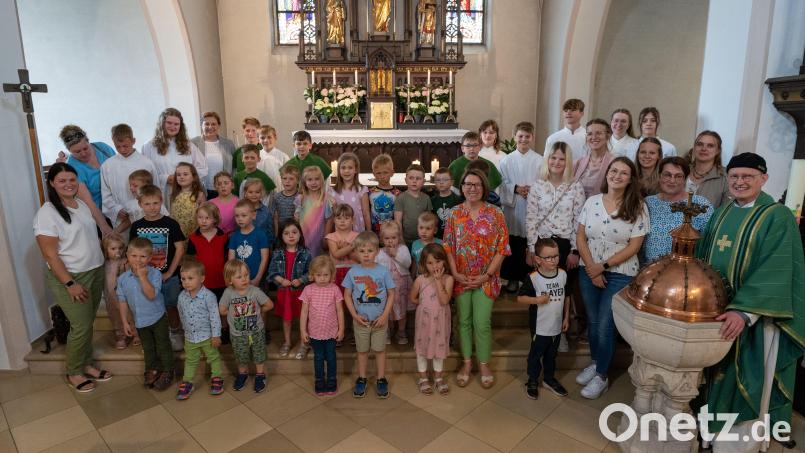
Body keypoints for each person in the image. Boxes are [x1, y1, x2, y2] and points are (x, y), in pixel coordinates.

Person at [695, 153, 804, 452]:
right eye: (734, 177)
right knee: (713, 375)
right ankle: (710, 435)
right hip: (717, 314)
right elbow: (705, 257)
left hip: (755, 319)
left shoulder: (776, 216)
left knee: (747, 378)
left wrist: (743, 312)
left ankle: (737, 446)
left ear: (763, 179)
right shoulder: (723, 211)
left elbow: (778, 269)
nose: (740, 182)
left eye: (748, 177)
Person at [575, 157, 648, 399]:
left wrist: (603, 267)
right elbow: (581, 237)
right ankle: (596, 363)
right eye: (613, 171)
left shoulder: (637, 206)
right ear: (607, 174)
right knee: (594, 322)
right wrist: (591, 268)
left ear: (630, 179)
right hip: (589, 270)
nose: (617, 175)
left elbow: (634, 246)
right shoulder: (592, 201)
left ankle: (602, 376)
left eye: (623, 173)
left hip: (620, 273)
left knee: (606, 326)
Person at [34, 163, 111, 393]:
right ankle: (74, 371)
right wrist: (69, 282)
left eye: (72, 180)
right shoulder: (47, 213)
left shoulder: (81, 205)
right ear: (52, 184)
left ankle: (86, 363)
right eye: (62, 181)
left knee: (88, 323)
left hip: (94, 270)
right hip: (72, 276)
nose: (68, 184)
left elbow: (90, 235)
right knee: (80, 325)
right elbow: (49, 253)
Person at [444, 169, 511, 389]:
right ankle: (466, 364)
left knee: (481, 323)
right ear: (461, 187)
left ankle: (484, 365)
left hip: (487, 278)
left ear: (484, 187)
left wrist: (487, 275)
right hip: (461, 278)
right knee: (463, 321)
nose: (472, 188)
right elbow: (448, 246)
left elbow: (503, 248)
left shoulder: (495, 213)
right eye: (467, 184)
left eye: (477, 184)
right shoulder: (454, 214)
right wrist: (455, 273)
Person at [525, 141, 586, 350]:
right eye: (553, 158)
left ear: (567, 161)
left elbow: (578, 221)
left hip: (564, 244)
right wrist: (532, 248)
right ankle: (538, 333)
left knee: (561, 293)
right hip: (542, 244)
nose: (557, 162)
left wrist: (575, 250)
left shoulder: (575, 187)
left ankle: (560, 333)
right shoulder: (537, 186)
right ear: (547, 160)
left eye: (561, 158)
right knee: (540, 291)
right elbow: (531, 219)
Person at [129, 184, 187, 351]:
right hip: (145, 276)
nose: (152, 207)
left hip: (168, 276)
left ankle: (175, 332)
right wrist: (138, 273)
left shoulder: (171, 224)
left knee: (171, 305)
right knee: (150, 306)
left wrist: (169, 272)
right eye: (147, 204)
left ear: (161, 201)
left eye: (155, 203)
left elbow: (180, 248)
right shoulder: (136, 226)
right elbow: (133, 252)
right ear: (140, 204)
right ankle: (154, 336)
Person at [343, 231, 396, 398]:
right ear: (356, 252)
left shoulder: (383, 271)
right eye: (362, 251)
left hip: (380, 321)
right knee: (362, 351)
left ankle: (381, 378)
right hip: (361, 322)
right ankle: (362, 378)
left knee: (380, 350)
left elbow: (391, 293)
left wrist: (385, 315)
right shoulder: (352, 272)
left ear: (377, 251)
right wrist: (354, 315)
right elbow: (347, 295)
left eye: (370, 251)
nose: (366, 255)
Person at [117, 237, 173, 391]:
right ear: (127, 256)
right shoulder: (122, 279)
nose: (138, 260)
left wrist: (142, 276)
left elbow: (151, 295)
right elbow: (122, 301)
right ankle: (152, 369)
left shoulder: (155, 274)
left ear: (149, 258)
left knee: (163, 345)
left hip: (157, 317)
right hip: (140, 321)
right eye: (134, 256)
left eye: (142, 256)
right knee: (148, 347)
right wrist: (125, 321)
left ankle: (168, 371)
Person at [518, 238, 570, 399]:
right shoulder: (533, 278)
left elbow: (567, 297)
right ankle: (533, 380)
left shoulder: (562, 274)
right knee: (535, 355)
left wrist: (566, 318)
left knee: (551, 355)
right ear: (538, 259)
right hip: (540, 327)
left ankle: (549, 378)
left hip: (556, 325)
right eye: (548, 257)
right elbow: (520, 298)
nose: (553, 260)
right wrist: (536, 300)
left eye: (556, 256)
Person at [499, 121, 543, 293]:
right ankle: (511, 279)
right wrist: (515, 188)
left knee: (530, 242)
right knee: (514, 244)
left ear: (532, 137)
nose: (523, 139)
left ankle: (528, 280)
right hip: (513, 207)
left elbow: (544, 182)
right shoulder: (506, 160)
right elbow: (501, 184)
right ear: (514, 136)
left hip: (533, 207)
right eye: (520, 136)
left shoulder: (540, 160)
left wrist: (533, 190)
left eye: (527, 136)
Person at [642, 157, 712, 263]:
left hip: (686, 272)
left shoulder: (700, 205)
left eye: (678, 176)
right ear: (659, 176)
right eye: (667, 175)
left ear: (685, 178)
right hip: (650, 271)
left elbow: (709, 242)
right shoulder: (648, 203)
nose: (672, 180)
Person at [219, 259, 274, 393]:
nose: (244, 279)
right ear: (230, 280)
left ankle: (260, 375)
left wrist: (258, 311)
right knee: (241, 356)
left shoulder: (255, 291)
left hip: (256, 331)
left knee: (259, 354)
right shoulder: (228, 293)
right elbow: (222, 310)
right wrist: (234, 314)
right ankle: (242, 374)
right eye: (239, 277)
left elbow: (269, 304)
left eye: (246, 275)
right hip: (238, 334)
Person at [176, 258, 223, 400]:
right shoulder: (181, 297)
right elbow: (181, 313)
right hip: (190, 337)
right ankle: (188, 381)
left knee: (213, 357)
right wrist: (185, 330)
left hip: (207, 336)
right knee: (191, 360)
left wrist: (216, 335)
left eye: (190, 278)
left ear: (202, 278)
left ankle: (217, 377)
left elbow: (215, 317)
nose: (186, 282)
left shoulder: (208, 296)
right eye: (183, 279)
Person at [410, 243, 454, 395]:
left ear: (444, 261)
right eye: (430, 262)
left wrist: (437, 281)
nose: (434, 266)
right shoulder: (420, 280)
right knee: (422, 348)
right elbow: (413, 298)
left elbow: (444, 301)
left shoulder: (448, 279)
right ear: (424, 264)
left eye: (438, 261)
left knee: (439, 346)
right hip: (424, 320)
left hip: (441, 319)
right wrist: (424, 307)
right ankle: (423, 379)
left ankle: (438, 378)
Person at [299, 255, 345, 396]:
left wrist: (341, 329)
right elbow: (304, 312)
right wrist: (303, 331)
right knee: (318, 357)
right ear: (313, 275)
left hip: (331, 332)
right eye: (319, 275)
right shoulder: (308, 290)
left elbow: (339, 310)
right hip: (315, 332)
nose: (322, 278)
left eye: (326, 275)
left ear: (331, 275)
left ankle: (332, 380)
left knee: (331, 356)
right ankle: (319, 380)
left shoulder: (335, 289)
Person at [267, 219, 312, 359]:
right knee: (286, 319)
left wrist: (301, 280)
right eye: (286, 233)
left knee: (303, 318)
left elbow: (311, 273)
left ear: (300, 235)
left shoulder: (305, 253)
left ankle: (304, 343)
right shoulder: (277, 253)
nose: (291, 236)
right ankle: (287, 342)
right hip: (285, 292)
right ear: (281, 236)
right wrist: (281, 280)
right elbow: (272, 273)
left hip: (301, 292)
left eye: (294, 232)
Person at [142, 108, 208, 196]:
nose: (173, 127)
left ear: (181, 126)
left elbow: (202, 168)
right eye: (169, 123)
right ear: (162, 124)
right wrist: (165, 178)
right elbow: (145, 173)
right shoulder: (149, 146)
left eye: (176, 124)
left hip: (186, 192)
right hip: (161, 192)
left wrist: (185, 178)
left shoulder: (189, 145)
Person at [101, 124, 158, 227]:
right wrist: (116, 209)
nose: (122, 150)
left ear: (133, 141)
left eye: (125, 146)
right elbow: (106, 193)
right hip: (121, 218)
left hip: (145, 217)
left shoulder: (147, 163)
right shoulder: (107, 166)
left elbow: (156, 190)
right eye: (118, 146)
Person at [59, 124, 116, 211]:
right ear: (69, 151)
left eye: (85, 148)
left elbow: (120, 170)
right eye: (77, 151)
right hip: (98, 214)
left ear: (88, 141)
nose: (83, 153)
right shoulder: (72, 168)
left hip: (120, 204)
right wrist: (104, 225)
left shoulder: (102, 148)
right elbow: (89, 203)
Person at [376, 221, 413, 345]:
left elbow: (408, 263)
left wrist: (395, 254)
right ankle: (388, 331)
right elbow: (376, 268)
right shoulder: (379, 252)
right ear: (382, 239)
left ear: (399, 237)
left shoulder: (403, 249)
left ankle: (401, 331)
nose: (390, 241)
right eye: (387, 238)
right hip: (386, 289)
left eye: (393, 238)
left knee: (402, 310)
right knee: (388, 310)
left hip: (401, 286)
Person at [102, 233, 139, 349]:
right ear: (106, 249)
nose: (117, 251)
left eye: (120, 248)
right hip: (111, 297)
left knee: (130, 314)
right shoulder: (104, 264)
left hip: (126, 297)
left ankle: (135, 333)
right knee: (115, 316)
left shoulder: (126, 262)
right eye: (113, 249)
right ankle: (121, 336)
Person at [186, 203, 230, 300]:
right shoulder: (193, 238)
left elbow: (229, 259)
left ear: (214, 219)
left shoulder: (223, 237)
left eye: (207, 218)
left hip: (221, 281)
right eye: (200, 217)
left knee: (220, 309)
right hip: (201, 283)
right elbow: (191, 261)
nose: (203, 221)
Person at [190, 111, 236, 193]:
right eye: (206, 124)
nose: (210, 127)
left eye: (213, 124)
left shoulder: (228, 144)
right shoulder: (193, 143)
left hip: (224, 189)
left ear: (219, 126)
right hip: (201, 190)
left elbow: (234, 168)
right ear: (201, 126)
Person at [228, 199, 270, 287]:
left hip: (255, 280)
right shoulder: (234, 237)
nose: (240, 219)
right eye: (237, 216)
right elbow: (231, 261)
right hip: (238, 281)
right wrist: (232, 278)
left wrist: (258, 278)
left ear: (253, 215)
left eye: (243, 215)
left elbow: (264, 258)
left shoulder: (260, 235)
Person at [685, 130, 730, 208]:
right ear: (694, 147)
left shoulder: (726, 176)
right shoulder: (682, 170)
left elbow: (726, 210)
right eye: (699, 144)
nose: (704, 149)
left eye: (710, 146)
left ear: (718, 151)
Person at [295, 166, 333, 257]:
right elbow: (296, 219)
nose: (313, 182)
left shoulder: (325, 199)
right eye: (310, 180)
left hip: (318, 236)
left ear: (322, 180)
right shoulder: (301, 198)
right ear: (304, 182)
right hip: (303, 236)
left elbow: (329, 220)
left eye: (317, 179)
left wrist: (326, 238)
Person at [574, 118, 616, 199]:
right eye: (590, 134)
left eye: (599, 133)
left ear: (607, 136)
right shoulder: (577, 163)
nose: (594, 137)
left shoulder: (614, 163)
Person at [331, 152, 371, 232]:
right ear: (339, 170)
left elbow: (366, 213)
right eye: (343, 168)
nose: (346, 171)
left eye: (350, 168)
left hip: (358, 231)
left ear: (356, 169)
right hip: (341, 233)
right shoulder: (333, 191)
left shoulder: (362, 190)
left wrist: (369, 232)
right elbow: (333, 215)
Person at [394, 164, 433, 246]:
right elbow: (398, 221)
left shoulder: (426, 198)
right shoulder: (401, 198)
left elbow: (429, 220)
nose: (414, 181)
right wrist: (401, 239)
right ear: (406, 180)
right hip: (406, 239)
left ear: (423, 181)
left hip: (423, 240)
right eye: (411, 178)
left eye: (418, 178)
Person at [326, 204, 359, 289]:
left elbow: (359, 258)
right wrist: (351, 247)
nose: (342, 221)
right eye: (339, 218)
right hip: (336, 272)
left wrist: (343, 249)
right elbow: (336, 254)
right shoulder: (331, 237)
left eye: (346, 218)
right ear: (334, 220)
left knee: (353, 295)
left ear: (353, 220)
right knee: (338, 296)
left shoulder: (358, 237)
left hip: (354, 270)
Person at [169, 162, 207, 237]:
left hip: (194, 233)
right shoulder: (173, 195)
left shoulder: (199, 195)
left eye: (185, 174)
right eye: (178, 175)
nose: (181, 177)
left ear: (194, 177)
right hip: (177, 233)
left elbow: (204, 215)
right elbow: (172, 215)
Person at [544, 99, 586, 164]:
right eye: (565, 110)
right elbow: (546, 163)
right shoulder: (553, 138)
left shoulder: (588, 137)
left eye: (572, 110)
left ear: (582, 113)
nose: (568, 113)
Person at [369, 154, 400, 234]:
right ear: (374, 174)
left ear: (392, 173)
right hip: (375, 231)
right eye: (378, 173)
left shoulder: (397, 193)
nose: (382, 176)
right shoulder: (370, 192)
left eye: (385, 172)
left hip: (391, 233)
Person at [242, 178, 276, 252]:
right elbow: (237, 228)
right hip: (244, 246)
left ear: (262, 193)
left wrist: (270, 248)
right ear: (245, 193)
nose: (254, 195)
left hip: (261, 248)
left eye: (257, 192)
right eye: (250, 192)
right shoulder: (241, 209)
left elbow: (270, 231)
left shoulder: (266, 211)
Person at [430, 167, 462, 239]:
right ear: (435, 182)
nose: (441, 182)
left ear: (452, 182)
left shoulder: (458, 200)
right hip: (437, 237)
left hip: (454, 236)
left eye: (445, 179)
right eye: (438, 180)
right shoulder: (432, 201)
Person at [271, 165, 301, 238]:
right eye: (284, 178)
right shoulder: (276, 197)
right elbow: (275, 217)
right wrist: (276, 234)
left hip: (295, 233)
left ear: (297, 181)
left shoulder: (300, 197)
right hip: (281, 232)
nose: (287, 181)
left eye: (291, 178)